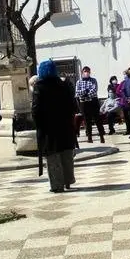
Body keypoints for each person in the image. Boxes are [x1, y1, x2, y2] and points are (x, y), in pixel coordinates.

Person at [32, 60, 77, 193]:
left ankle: (57, 185)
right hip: (65, 127)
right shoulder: (64, 85)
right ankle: (68, 180)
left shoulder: (39, 87)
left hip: (48, 129)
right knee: (66, 155)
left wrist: (39, 125)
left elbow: (36, 109)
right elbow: (72, 106)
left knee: (53, 158)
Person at [75, 66, 107, 143]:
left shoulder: (93, 80)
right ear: (82, 72)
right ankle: (89, 137)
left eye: (88, 71)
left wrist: (85, 93)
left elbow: (94, 90)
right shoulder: (78, 82)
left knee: (97, 119)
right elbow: (77, 92)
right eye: (85, 71)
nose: (86, 73)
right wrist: (85, 92)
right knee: (87, 121)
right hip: (83, 103)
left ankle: (101, 136)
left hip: (93, 102)